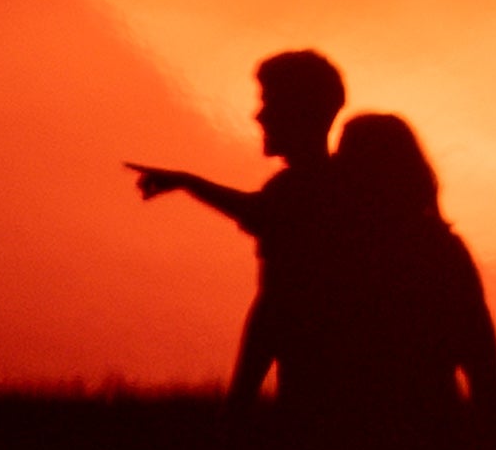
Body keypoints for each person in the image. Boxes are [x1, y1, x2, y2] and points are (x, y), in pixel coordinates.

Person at [126, 46, 349, 405]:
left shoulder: (303, 191)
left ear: (302, 112)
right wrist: (187, 182)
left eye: (270, 101)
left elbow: (276, 304)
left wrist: (241, 396)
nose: (259, 115)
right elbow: (258, 214)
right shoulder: (326, 186)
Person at [314, 113, 496, 412]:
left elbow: (480, 354)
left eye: (347, 154)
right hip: (431, 418)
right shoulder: (443, 249)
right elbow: (482, 359)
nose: (336, 162)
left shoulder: (332, 249)